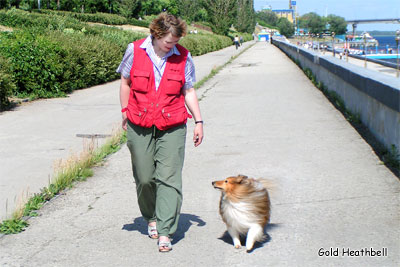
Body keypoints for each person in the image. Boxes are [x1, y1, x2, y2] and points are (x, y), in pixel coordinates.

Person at [116, 12, 204, 252]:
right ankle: (151, 216)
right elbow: (125, 81)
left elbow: (188, 90)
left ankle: (165, 231)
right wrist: (124, 110)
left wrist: (198, 121)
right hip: (139, 121)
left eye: (175, 42)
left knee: (169, 177)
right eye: (168, 42)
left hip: (172, 124)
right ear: (155, 35)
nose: (172, 46)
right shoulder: (134, 50)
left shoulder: (184, 57)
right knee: (145, 178)